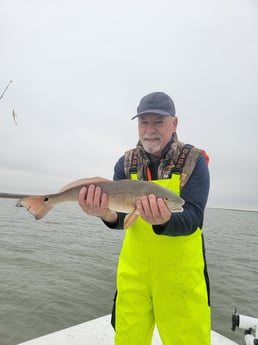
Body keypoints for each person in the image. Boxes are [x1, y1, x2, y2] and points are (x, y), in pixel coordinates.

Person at [78, 91, 211, 345]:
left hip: (180, 278)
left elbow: (193, 216)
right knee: (128, 339)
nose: (150, 129)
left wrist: (163, 220)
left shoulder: (194, 162)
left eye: (158, 122)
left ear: (174, 123)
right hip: (133, 275)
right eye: (144, 122)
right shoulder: (125, 163)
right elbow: (120, 218)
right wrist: (104, 213)